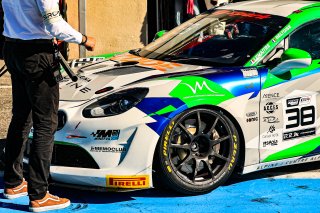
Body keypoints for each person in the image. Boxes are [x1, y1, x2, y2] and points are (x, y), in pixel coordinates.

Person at [1, 0, 95, 212]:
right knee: (46, 124)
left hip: (13, 47)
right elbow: (55, 25)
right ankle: (39, 195)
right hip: (37, 54)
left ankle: (14, 182)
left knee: (21, 117)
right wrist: (84, 39)